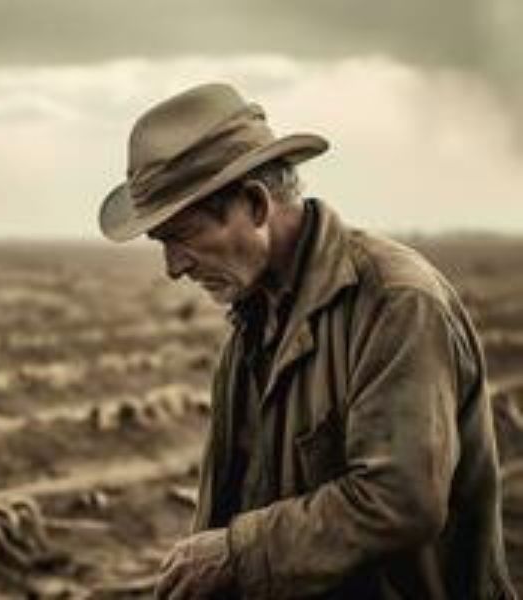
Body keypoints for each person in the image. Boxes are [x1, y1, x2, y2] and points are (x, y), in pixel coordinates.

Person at [98, 83, 517, 599]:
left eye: (181, 237)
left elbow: (400, 500)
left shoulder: (396, 302)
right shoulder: (251, 323)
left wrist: (237, 552)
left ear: (254, 204)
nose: (173, 268)